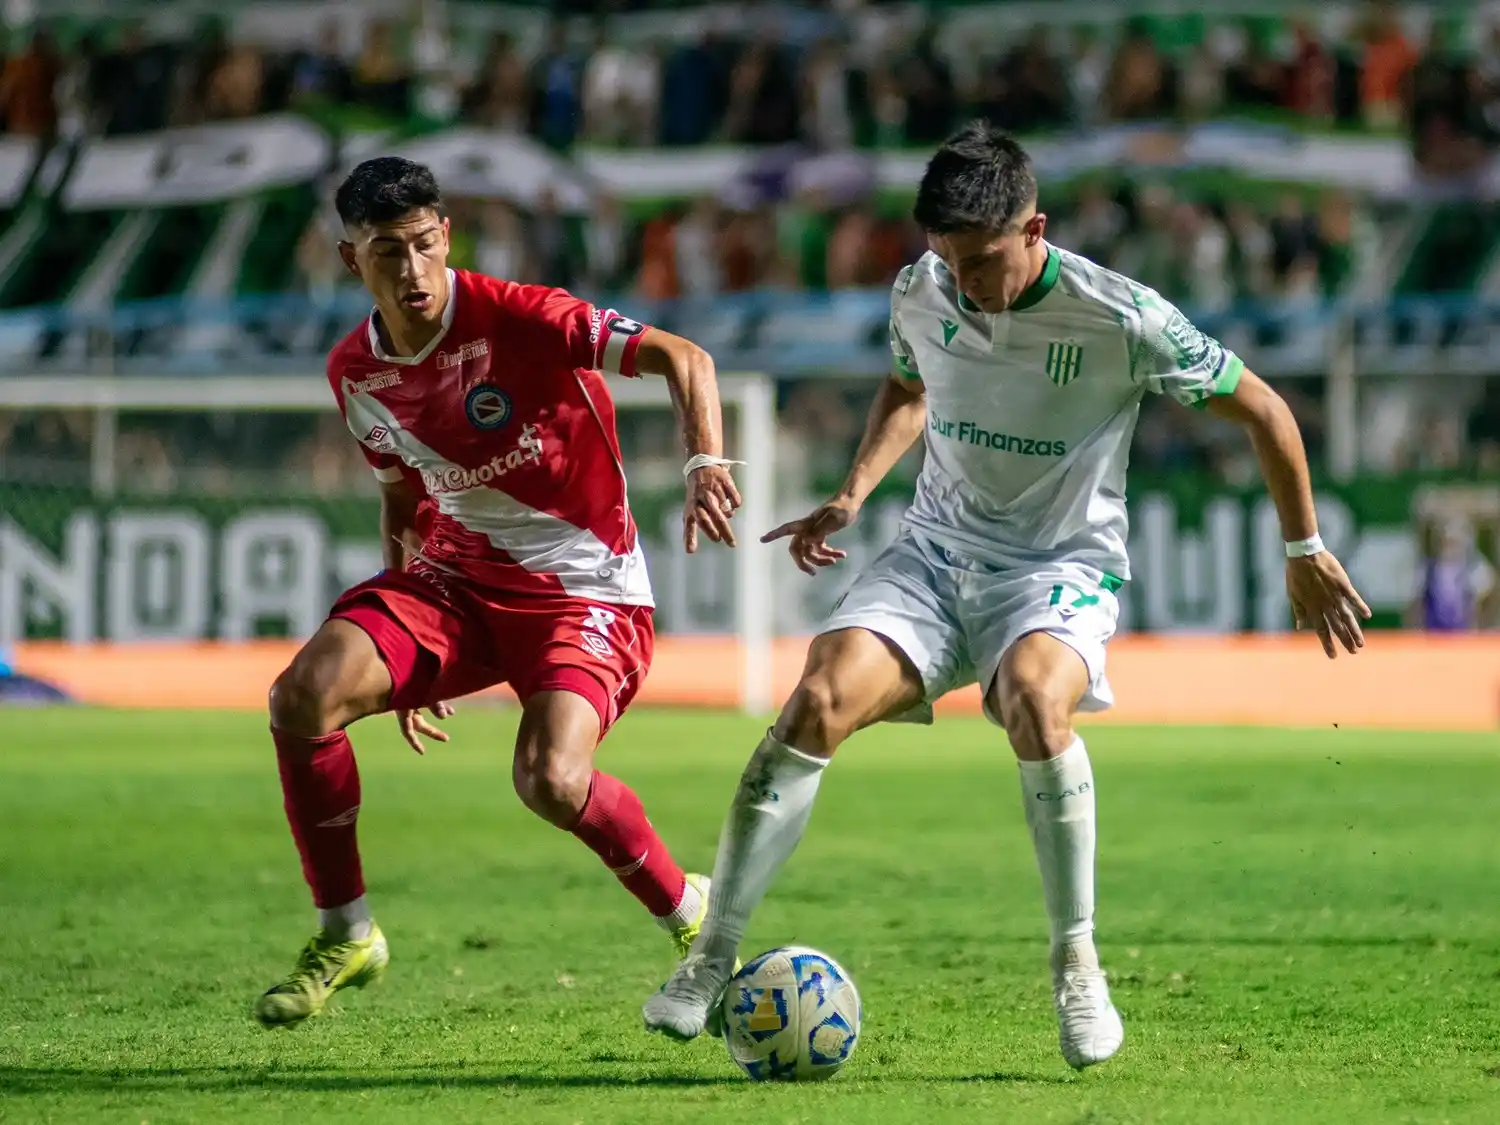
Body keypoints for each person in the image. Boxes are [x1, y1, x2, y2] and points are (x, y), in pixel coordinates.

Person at [642, 122, 1370, 1069]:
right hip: (935, 555)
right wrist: (853, 491)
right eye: (948, 259)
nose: (964, 283)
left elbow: (1265, 409)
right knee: (816, 698)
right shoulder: (922, 287)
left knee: (1032, 697)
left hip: (1057, 568)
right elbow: (909, 385)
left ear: (1036, 229)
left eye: (981, 262)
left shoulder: (1123, 316)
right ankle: (712, 955)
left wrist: (1304, 546)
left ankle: (1077, 964)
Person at [254, 157, 742, 1028]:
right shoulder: (355, 373)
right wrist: (402, 654)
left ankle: (689, 911)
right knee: (303, 696)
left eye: (423, 243)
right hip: (455, 582)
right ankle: (346, 933)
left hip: (585, 589)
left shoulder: (523, 316)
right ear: (351, 259)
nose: (412, 269)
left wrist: (705, 460)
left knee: (551, 778)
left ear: (447, 236)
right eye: (387, 252)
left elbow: (685, 356)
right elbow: (402, 500)